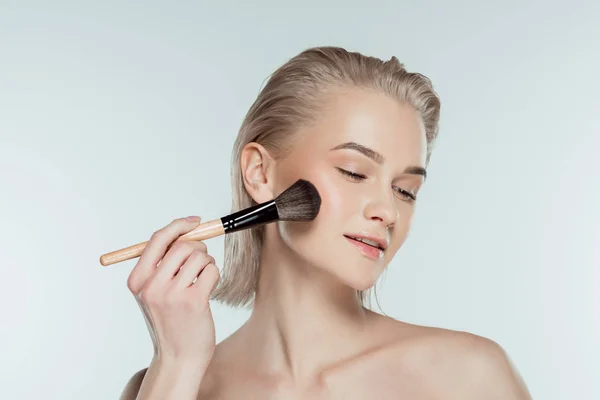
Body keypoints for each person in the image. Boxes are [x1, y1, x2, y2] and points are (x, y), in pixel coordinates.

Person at [120, 46, 532, 399]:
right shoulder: (164, 384)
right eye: (354, 172)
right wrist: (176, 366)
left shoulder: (466, 378)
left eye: (406, 190)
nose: (387, 211)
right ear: (260, 173)